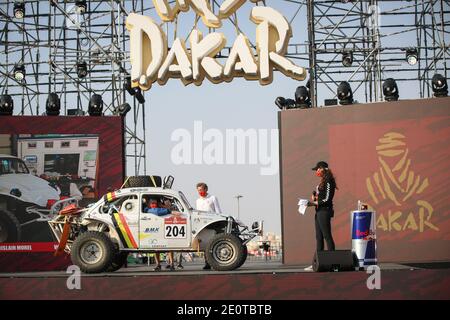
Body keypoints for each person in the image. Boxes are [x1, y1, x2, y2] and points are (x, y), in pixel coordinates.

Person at [305, 161, 337, 271]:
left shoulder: (329, 181)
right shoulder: (322, 182)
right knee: (319, 237)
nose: (317, 171)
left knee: (327, 236)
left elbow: (328, 199)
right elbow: (320, 198)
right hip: (318, 211)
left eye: (318, 169)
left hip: (324, 211)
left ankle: (333, 263)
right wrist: (313, 199)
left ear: (323, 168)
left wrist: (314, 203)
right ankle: (317, 264)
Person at [196, 182, 222, 270]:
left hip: (212, 224)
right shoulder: (198, 201)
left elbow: (218, 211)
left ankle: (215, 262)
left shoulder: (213, 198)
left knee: (213, 244)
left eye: (201, 189)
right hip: (202, 225)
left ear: (206, 189)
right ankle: (207, 263)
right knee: (204, 244)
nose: (200, 192)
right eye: (198, 190)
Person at [144, 199, 175, 271]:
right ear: (149, 204)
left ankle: (172, 264)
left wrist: (164, 207)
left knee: (170, 246)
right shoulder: (148, 210)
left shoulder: (159, 209)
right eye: (152, 203)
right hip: (154, 230)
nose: (153, 205)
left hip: (162, 228)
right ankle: (158, 264)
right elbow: (156, 212)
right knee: (156, 248)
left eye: (155, 203)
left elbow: (159, 210)